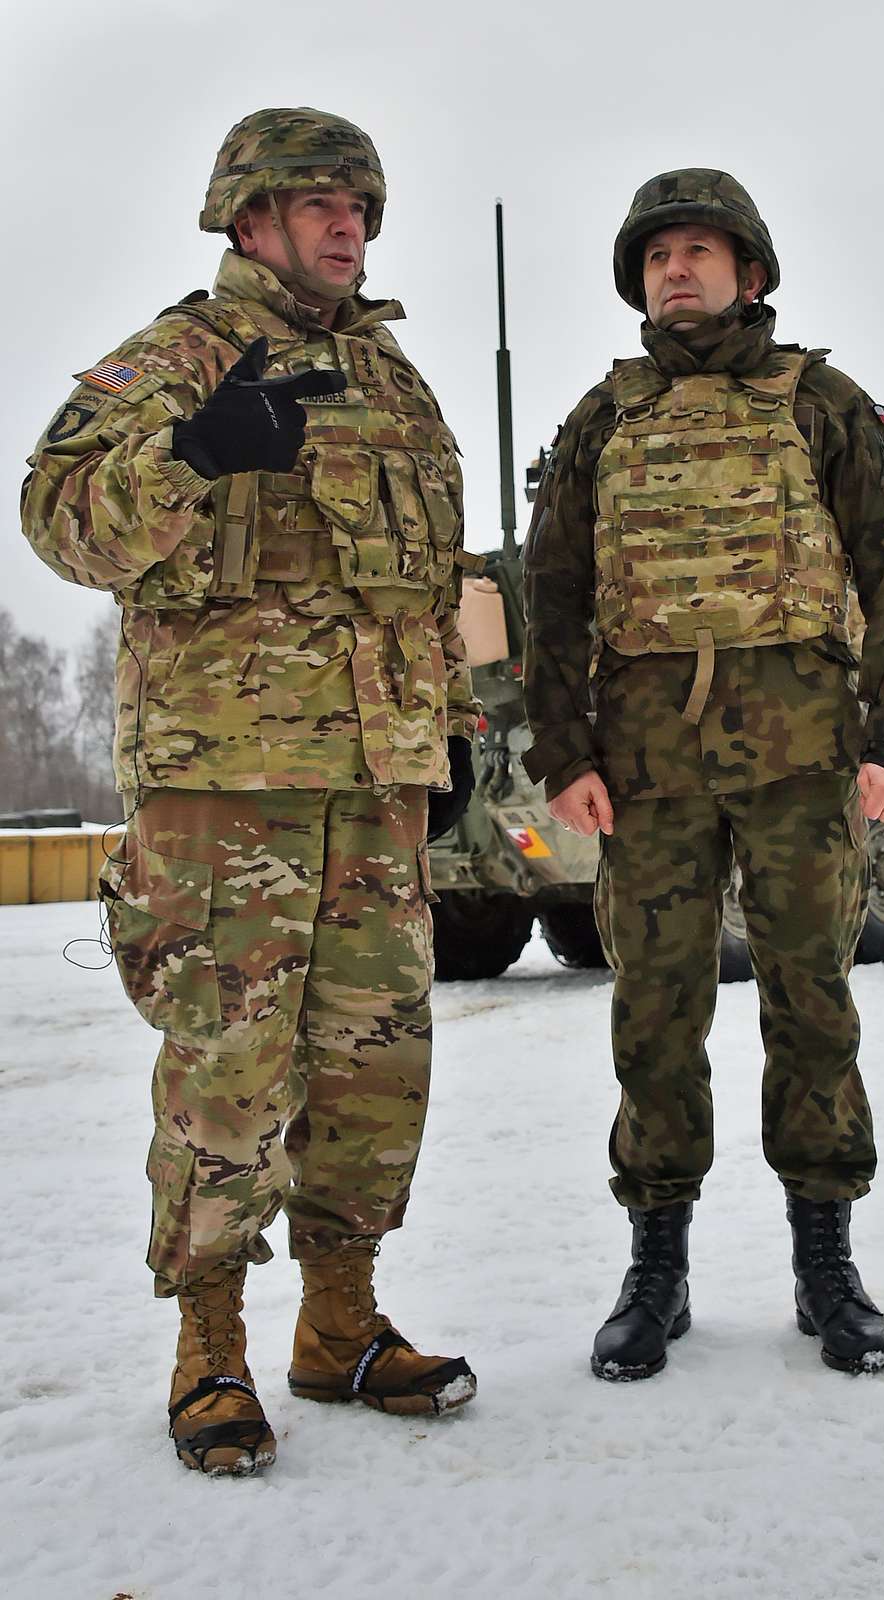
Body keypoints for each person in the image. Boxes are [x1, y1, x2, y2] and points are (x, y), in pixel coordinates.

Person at [21, 106, 481, 1475]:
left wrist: (445, 733)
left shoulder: (393, 381)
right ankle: (209, 1349)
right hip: (227, 794)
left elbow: (432, 582)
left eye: (361, 205)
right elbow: (59, 525)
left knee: (375, 1069)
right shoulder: (172, 359)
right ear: (250, 217)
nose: (348, 225)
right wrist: (195, 452)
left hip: (375, 789)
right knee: (227, 1074)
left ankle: (338, 1324)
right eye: (320, 202)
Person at [522, 169, 884, 1382]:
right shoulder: (603, 419)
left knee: (812, 1006)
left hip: (806, 762)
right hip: (647, 773)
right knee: (654, 1015)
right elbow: (552, 601)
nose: (678, 272)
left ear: (750, 273)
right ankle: (657, 1266)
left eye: (702, 251)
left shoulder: (823, 404)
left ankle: (827, 1264)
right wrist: (562, 753)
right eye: (659, 257)